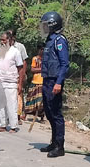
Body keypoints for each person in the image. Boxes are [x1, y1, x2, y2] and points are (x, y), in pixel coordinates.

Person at [39, 11, 69, 158]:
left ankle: (60, 146)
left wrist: (58, 83)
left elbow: (64, 64)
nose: (43, 28)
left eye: (45, 25)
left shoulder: (59, 40)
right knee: (49, 112)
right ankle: (53, 142)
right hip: (46, 80)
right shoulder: (49, 41)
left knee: (56, 114)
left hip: (54, 82)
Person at [0, 31, 24, 133]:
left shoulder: (15, 52)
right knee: (0, 105)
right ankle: (2, 125)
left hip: (11, 82)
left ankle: (13, 126)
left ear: (9, 40)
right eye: (1, 40)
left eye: (4, 40)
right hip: (0, 81)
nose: (2, 42)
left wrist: (20, 83)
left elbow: (20, 68)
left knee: (11, 105)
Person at [10, 30, 28, 124]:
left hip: (18, 74)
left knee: (19, 95)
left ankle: (18, 116)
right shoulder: (5, 47)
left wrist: (23, 74)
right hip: (9, 75)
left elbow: (24, 61)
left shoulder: (20, 47)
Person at [24, 46, 44, 122]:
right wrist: (42, 69)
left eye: (43, 49)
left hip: (42, 82)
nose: (42, 51)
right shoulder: (35, 59)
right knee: (30, 99)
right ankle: (25, 114)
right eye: (41, 49)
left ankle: (41, 117)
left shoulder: (46, 60)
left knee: (41, 101)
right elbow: (32, 69)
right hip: (35, 81)